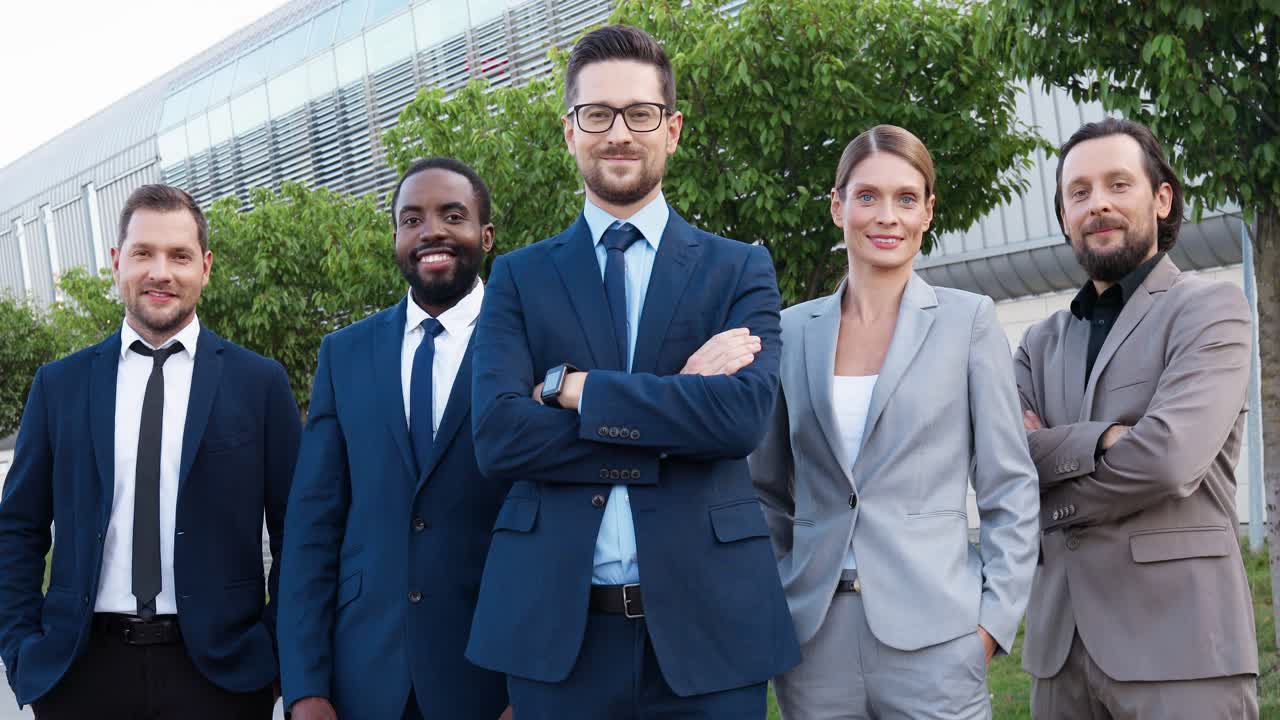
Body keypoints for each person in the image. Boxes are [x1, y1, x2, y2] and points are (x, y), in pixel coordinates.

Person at [464, 23, 799, 719]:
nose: (618, 133)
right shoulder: (518, 278)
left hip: (712, 636)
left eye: (640, 114)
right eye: (597, 114)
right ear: (569, 132)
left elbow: (740, 420)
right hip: (558, 640)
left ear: (671, 130)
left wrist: (574, 390)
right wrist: (679, 408)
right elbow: (499, 436)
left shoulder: (739, 268)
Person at [750, 125, 1039, 719]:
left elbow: (1009, 484)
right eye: (868, 196)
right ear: (838, 206)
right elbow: (764, 490)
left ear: (927, 211)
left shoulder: (969, 322)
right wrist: (777, 598)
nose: (887, 216)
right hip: (815, 641)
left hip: (938, 638)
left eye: (906, 198)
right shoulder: (791, 331)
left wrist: (990, 625)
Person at [0, 184, 299, 718]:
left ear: (205, 267)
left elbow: (297, 533)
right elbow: (17, 529)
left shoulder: (260, 383)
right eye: (144, 253)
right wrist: (21, 649)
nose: (161, 272)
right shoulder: (58, 386)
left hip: (222, 678)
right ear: (117, 262)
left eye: (179, 255)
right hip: (81, 675)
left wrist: (274, 652)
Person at [1017, 117, 1259, 719]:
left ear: (1162, 198)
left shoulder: (1210, 310)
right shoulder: (1036, 345)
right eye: (1079, 192)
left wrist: (1051, 473)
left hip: (1181, 648)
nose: (1097, 203)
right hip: (1059, 658)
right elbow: (998, 462)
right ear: (1064, 216)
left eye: (1118, 184)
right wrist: (1105, 439)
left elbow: (1168, 460)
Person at [279, 158, 510, 719]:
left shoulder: (526, 340)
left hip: (493, 673)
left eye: (452, 215)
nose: (431, 232)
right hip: (366, 676)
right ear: (396, 240)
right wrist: (305, 688)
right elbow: (312, 529)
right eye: (412, 220)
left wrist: (531, 692)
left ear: (485, 235)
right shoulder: (344, 354)